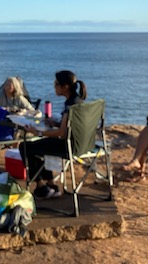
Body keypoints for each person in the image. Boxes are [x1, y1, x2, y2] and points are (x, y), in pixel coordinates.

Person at [20, 70, 87, 199]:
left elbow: (60, 133)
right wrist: (55, 123)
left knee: (25, 147)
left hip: (68, 146)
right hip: (82, 144)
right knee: (39, 148)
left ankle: (41, 186)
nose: (54, 86)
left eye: (56, 84)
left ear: (65, 86)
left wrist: (38, 132)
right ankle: (52, 184)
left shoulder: (70, 105)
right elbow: (68, 126)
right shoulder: (78, 101)